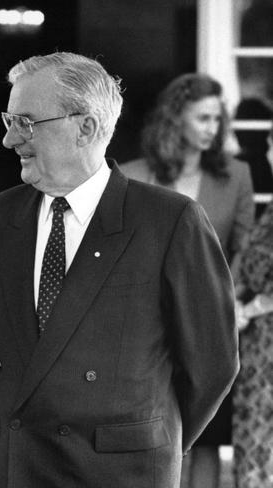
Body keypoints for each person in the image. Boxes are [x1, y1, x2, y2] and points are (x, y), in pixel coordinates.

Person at [0, 51, 239, 488]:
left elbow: (213, 361)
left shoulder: (170, 221)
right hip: (18, 467)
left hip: (123, 474)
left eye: (26, 123)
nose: (9, 140)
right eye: (9, 121)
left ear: (86, 128)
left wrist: (152, 439)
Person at [122, 73, 255, 488]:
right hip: (147, 329)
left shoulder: (236, 176)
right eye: (202, 118)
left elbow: (246, 253)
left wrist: (230, 307)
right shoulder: (131, 176)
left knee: (209, 437)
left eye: (217, 120)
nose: (211, 129)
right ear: (175, 117)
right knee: (151, 433)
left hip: (213, 326)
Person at [232, 119, 273, 488]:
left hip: (266, 337)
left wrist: (248, 309)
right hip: (259, 346)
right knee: (254, 440)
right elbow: (249, 261)